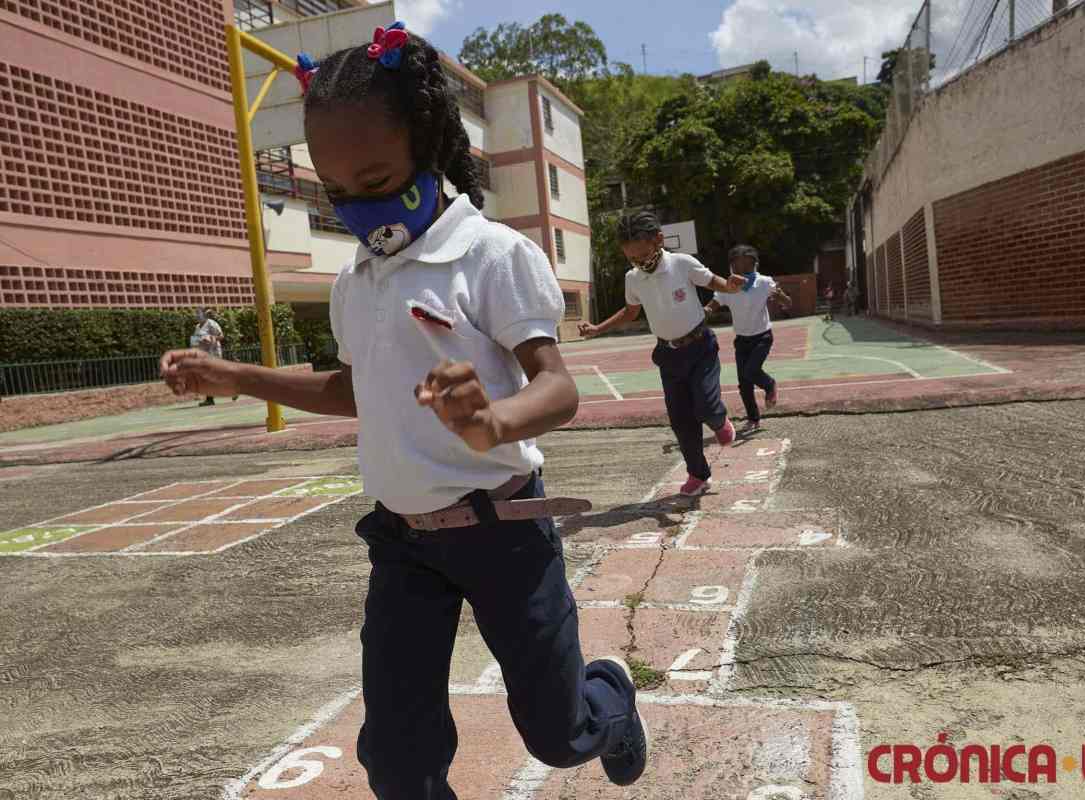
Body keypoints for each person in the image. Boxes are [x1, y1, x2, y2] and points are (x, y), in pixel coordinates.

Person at [160, 22, 648, 799]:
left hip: (504, 532)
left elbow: (557, 387)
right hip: (402, 541)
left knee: (560, 737)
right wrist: (236, 374)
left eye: (378, 180)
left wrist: (491, 422)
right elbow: (350, 392)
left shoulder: (491, 254)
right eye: (337, 192)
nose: (357, 207)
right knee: (397, 762)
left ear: (428, 150)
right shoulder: (358, 281)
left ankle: (611, 705)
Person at [579, 211, 744, 496]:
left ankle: (719, 420)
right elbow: (630, 312)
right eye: (633, 258)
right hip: (668, 355)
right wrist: (597, 329)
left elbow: (710, 280)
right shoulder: (634, 279)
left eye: (644, 254)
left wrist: (728, 286)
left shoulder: (681, 263)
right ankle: (698, 474)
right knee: (680, 420)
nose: (641, 262)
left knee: (704, 405)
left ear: (658, 240)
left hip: (700, 347)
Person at [704, 245, 791, 433]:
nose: (742, 269)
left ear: (755, 264)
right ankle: (753, 418)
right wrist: (706, 311)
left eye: (747, 265)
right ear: (731, 267)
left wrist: (781, 296)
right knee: (744, 384)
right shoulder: (727, 288)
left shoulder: (764, 283)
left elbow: (788, 302)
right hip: (742, 340)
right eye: (737, 265)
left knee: (751, 370)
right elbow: (714, 304)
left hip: (762, 337)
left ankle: (770, 384)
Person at [189, 308, 233, 406]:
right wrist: (196, 342)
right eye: (195, 313)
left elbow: (221, 336)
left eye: (198, 313)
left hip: (214, 353)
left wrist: (210, 338)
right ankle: (210, 399)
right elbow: (197, 339)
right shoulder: (197, 327)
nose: (196, 315)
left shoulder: (211, 324)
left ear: (204, 314)